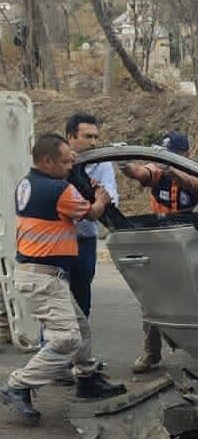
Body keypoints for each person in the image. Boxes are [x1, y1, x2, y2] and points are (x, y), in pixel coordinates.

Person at [0, 133, 126, 427]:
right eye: (66, 161)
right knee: (67, 337)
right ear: (46, 161)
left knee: (80, 326)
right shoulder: (59, 189)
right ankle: (18, 385)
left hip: (38, 274)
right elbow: (92, 214)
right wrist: (101, 198)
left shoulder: (28, 183)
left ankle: (87, 378)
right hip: (43, 278)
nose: (72, 166)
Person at [118, 131, 198, 373]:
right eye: (164, 156)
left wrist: (172, 169)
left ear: (186, 155)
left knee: (197, 299)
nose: (166, 160)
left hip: (190, 245)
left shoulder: (196, 172)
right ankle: (151, 352)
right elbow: (139, 173)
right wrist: (125, 165)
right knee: (152, 300)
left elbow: (194, 185)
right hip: (159, 244)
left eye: (174, 156)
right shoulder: (157, 173)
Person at [65, 113, 119, 318]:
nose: (93, 142)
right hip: (57, 241)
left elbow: (110, 198)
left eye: (96, 137)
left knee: (82, 303)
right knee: (56, 306)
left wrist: (100, 198)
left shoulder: (102, 163)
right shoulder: (56, 163)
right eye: (87, 137)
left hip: (85, 240)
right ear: (70, 137)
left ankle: (80, 349)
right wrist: (95, 200)